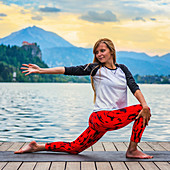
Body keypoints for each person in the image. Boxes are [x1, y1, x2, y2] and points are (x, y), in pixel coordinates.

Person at [15, 38, 153, 159]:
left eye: (102, 51)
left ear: (111, 51)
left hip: (109, 119)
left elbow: (134, 87)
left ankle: (37, 147)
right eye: (97, 52)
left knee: (75, 148)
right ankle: (132, 150)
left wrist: (145, 104)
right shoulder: (95, 69)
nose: (99, 54)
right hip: (101, 117)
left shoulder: (122, 69)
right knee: (141, 109)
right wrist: (41, 70)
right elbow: (67, 70)